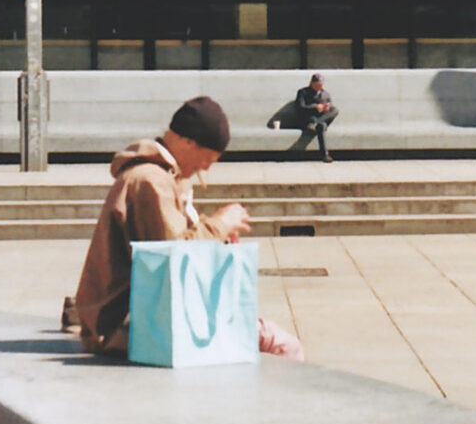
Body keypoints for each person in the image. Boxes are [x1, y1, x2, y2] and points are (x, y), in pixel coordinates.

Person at [70, 95, 304, 360]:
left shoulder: (160, 177)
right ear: (186, 141)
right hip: (127, 328)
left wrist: (216, 232)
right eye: (207, 158)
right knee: (285, 347)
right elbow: (176, 256)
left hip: (136, 319)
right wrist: (219, 226)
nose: (206, 168)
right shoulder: (150, 181)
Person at [295, 73, 338, 160]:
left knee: (334, 110)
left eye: (320, 85)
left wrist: (326, 108)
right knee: (318, 123)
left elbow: (330, 108)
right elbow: (300, 108)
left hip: (320, 120)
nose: (319, 87)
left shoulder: (325, 94)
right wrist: (315, 107)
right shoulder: (303, 92)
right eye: (317, 84)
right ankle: (325, 154)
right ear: (312, 83)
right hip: (308, 118)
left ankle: (315, 123)